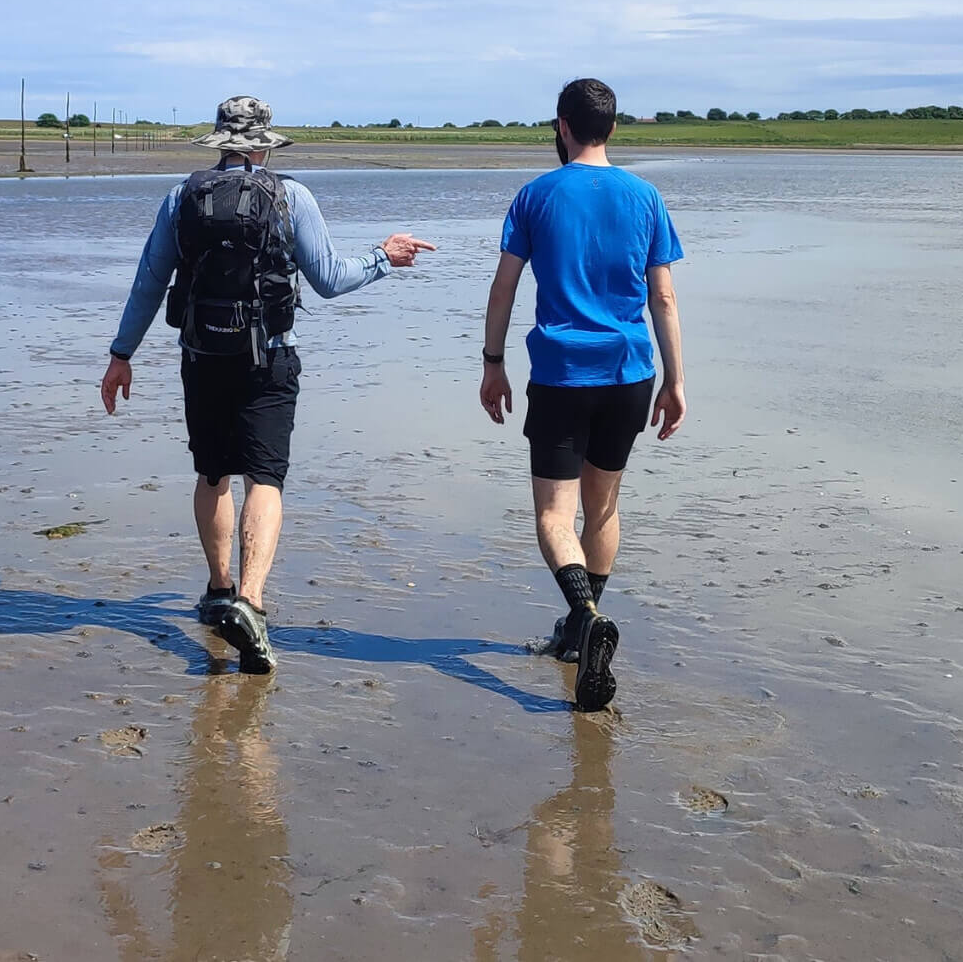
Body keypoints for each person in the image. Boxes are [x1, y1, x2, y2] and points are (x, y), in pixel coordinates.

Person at [101, 95, 433, 672]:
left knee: (212, 473)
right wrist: (383, 256)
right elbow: (329, 279)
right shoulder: (291, 195)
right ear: (264, 144)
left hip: (201, 356)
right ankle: (252, 602)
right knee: (266, 479)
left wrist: (120, 354)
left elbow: (149, 281)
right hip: (270, 359)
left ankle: (220, 589)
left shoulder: (181, 197)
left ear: (218, 141)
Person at [477, 77, 685, 712]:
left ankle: (585, 618)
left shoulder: (536, 195)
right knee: (603, 507)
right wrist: (676, 382)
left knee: (551, 515)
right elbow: (664, 298)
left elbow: (505, 288)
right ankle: (579, 627)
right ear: (613, 129)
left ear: (562, 126)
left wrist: (492, 363)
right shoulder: (645, 195)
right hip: (630, 372)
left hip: (563, 374)